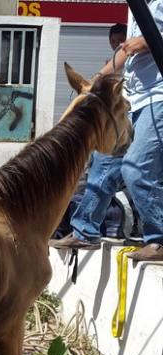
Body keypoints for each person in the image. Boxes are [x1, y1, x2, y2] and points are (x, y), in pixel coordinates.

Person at [50, 1, 163, 261]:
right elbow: (125, 51)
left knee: (136, 168)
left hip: (158, 97)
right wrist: (95, 79)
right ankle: (84, 231)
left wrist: (146, 41)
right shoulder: (138, 6)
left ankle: (158, 239)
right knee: (102, 163)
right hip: (132, 99)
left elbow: (140, 43)